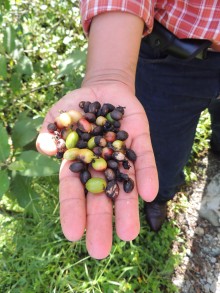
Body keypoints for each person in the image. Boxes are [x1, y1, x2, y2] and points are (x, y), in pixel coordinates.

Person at [36, 1, 220, 259]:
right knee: (163, 149)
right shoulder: (99, 141)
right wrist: (107, 72)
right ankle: (159, 197)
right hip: (172, 58)